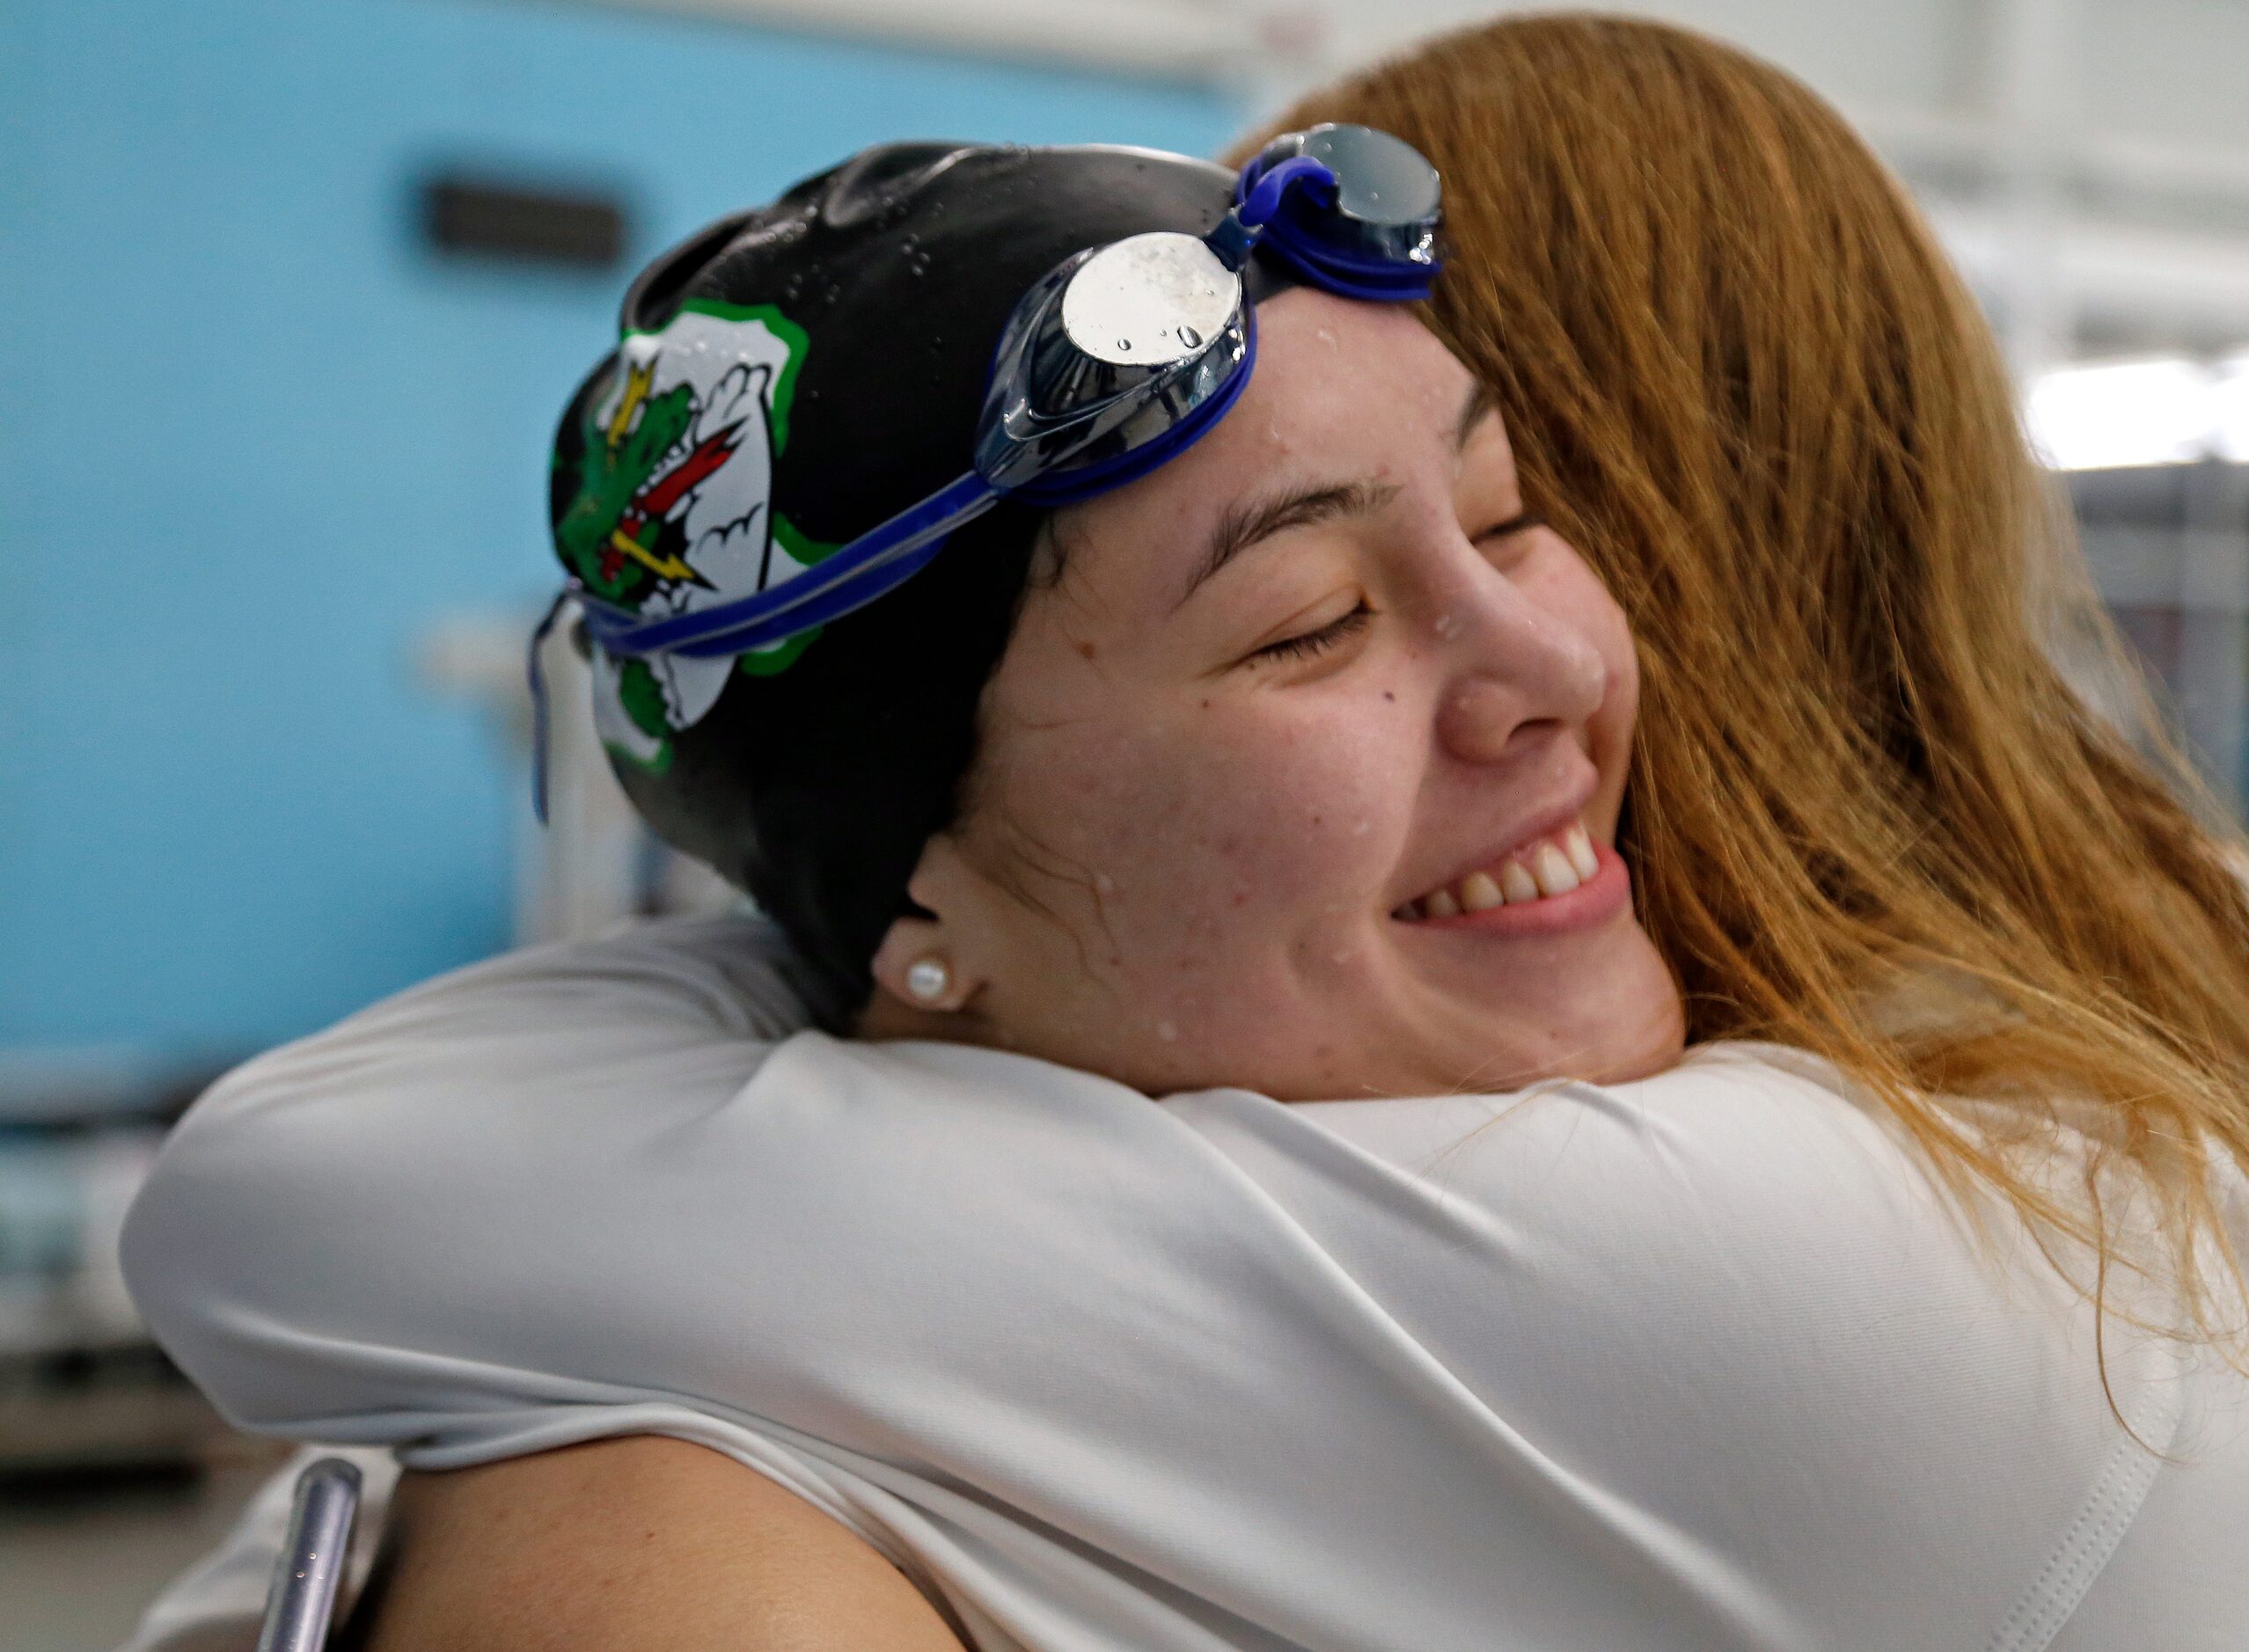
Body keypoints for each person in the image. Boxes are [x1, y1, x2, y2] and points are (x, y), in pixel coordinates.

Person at [120, 16, 2249, 1652]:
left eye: (1516, 511)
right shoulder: (2118, 1043)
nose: (1547, 657)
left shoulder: (1872, 1261)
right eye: (1312, 620)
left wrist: (892, 935)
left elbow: (282, 1194)